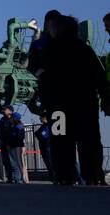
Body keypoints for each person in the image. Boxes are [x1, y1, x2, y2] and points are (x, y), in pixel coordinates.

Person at [42, 13, 110, 185]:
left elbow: (43, 78)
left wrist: (45, 100)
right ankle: (93, 175)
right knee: (90, 140)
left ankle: (65, 176)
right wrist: (106, 97)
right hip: (85, 104)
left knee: (60, 141)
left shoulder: (49, 51)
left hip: (58, 106)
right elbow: (99, 77)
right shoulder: (84, 50)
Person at [0, 105, 26, 183]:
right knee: (6, 162)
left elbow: (20, 133)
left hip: (13, 144)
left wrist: (22, 145)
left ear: (10, 111)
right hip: (4, 143)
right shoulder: (2, 119)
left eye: (5, 109)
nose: (3, 111)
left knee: (14, 162)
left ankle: (17, 179)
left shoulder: (15, 120)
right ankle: (10, 178)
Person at [35, 115, 56, 182]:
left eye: (41, 117)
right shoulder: (43, 126)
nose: (40, 119)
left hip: (48, 146)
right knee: (47, 163)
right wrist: (39, 134)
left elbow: (43, 135)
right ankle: (52, 178)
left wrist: (39, 135)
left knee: (50, 163)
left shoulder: (48, 125)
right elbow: (37, 133)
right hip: (43, 146)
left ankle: (54, 177)